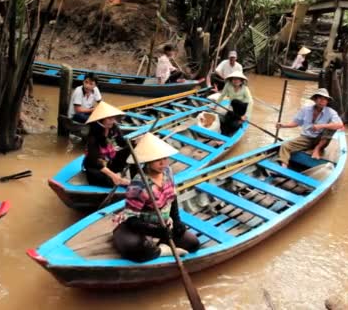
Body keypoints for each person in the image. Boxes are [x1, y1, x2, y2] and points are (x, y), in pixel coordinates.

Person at [113, 133, 199, 262]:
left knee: (193, 244)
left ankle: (162, 242)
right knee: (135, 249)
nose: (163, 163)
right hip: (140, 226)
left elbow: (172, 197)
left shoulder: (167, 171)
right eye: (157, 159)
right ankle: (164, 250)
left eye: (165, 158)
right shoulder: (139, 185)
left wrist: (176, 221)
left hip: (163, 222)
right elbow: (132, 220)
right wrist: (157, 232)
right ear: (148, 162)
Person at [275, 89, 344, 167]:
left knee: (331, 127)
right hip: (306, 138)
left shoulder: (331, 112)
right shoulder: (305, 110)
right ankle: (283, 167)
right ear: (315, 99)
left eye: (325, 99)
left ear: (327, 101)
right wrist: (283, 125)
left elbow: (340, 125)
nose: (322, 101)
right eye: (320, 98)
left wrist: (321, 126)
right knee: (285, 146)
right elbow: (296, 123)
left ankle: (317, 149)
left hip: (321, 140)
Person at [83, 101, 132, 187]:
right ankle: (116, 177)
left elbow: (122, 142)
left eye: (113, 118)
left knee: (131, 148)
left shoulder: (114, 128)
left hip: (110, 161)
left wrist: (135, 141)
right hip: (96, 167)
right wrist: (115, 177)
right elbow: (95, 162)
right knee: (111, 182)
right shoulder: (93, 137)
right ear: (101, 120)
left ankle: (130, 175)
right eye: (109, 119)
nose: (112, 121)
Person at [216, 71, 253, 136]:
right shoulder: (228, 85)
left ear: (241, 81)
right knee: (225, 120)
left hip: (242, 107)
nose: (235, 81)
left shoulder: (245, 88)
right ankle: (223, 135)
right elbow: (222, 95)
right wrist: (216, 105)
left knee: (234, 124)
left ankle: (231, 132)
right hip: (233, 106)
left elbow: (250, 102)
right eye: (234, 79)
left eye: (237, 79)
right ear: (231, 79)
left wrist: (246, 116)